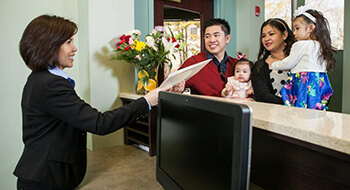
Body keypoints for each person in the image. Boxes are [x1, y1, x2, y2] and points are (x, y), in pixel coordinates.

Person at [14, 14, 168, 190]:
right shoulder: (51, 84)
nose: (74, 48)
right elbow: (99, 123)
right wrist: (147, 101)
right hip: (45, 180)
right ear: (49, 45)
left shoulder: (39, 79)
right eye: (69, 42)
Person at [266, 9, 335, 110]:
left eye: (297, 28)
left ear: (311, 28)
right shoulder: (322, 45)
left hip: (304, 81)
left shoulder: (300, 44)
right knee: (314, 108)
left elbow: (288, 63)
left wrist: (274, 64)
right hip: (319, 81)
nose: (294, 33)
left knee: (300, 109)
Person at [177, 18, 238, 97]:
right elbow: (170, 86)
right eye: (207, 36)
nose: (211, 40)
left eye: (216, 35)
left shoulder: (236, 64)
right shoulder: (194, 62)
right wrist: (176, 89)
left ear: (227, 38)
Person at [251, 18, 296, 104]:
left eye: (271, 34)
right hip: (273, 114)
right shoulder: (259, 66)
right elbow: (262, 96)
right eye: (263, 36)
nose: (266, 39)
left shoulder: (298, 60)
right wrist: (289, 104)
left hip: (304, 113)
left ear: (284, 35)